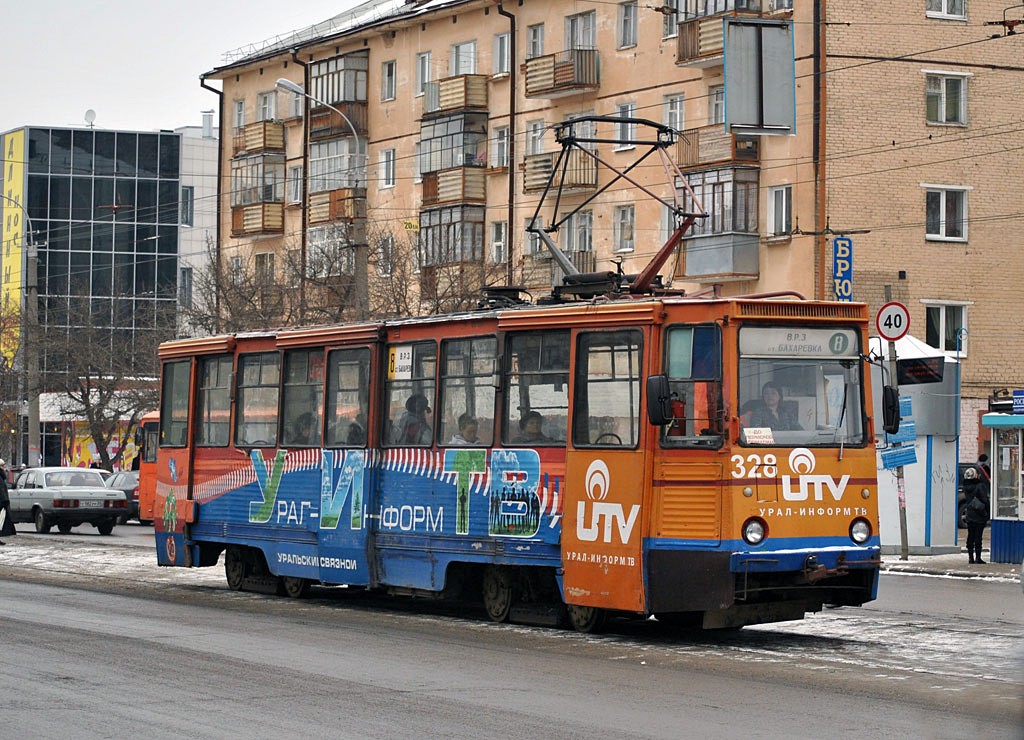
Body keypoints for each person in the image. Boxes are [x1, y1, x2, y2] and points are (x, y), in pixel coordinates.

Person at [962, 465, 990, 564]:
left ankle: (970, 558)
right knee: (978, 537)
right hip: (979, 514)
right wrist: (987, 513)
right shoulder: (980, 486)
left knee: (970, 536)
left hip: (970, 514)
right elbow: (985, 500)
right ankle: (978, 557)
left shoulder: (966, 487)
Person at [0, 459, 14, 545]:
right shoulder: (0, 477)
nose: (3, 468)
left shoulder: (1, 477)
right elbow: (1, 491)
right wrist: (4, 501)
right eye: (2, 466)